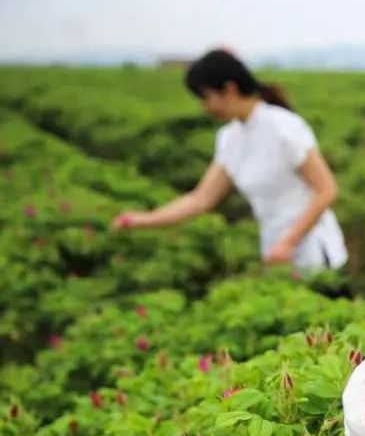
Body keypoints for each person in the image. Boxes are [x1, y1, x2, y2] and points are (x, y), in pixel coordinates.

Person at [111, 49, 348, 270]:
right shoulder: (230, 138)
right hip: (276, 252)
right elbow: (200, 199)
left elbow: (326, 190)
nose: (204, 107)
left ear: (229, 90)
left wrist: (289, 242)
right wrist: (141, 220)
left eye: (206, 97)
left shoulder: (284, 127)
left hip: (315, 252)